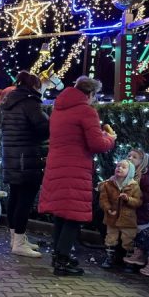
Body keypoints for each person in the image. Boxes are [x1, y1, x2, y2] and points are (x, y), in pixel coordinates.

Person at [38, 76, 116, 276]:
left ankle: (59, 256)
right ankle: (63, 260)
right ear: (89, 94)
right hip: (75, 168)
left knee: (60, 216)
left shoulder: (58, 109)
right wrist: (110, 138)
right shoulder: (86, 111)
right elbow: (96, 144)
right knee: (72, 217)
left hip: (56, 166)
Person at [0, 71, 49, 258]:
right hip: (27, 156)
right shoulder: (30, 103)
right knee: (25, 200)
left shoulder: (9, 102)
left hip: (12, 156)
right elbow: (44, 128)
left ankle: (15, 238)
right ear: (34, 86)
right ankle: (19, 242)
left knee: (15, 197)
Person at [98, 159, 142, 268]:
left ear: (130, 171)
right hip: (112, 217)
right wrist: (108, 208)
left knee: (128, 239)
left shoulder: (134, 186)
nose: (119, 168)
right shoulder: (108, 184)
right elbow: (103, 199)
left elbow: (138, 201)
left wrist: (128, 199)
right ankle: (109, 258)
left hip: (128, 219)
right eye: (118, 166)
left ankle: (129, 261)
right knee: (110, 238)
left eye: (123, 167)